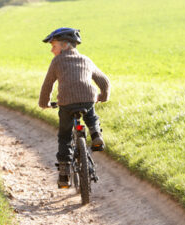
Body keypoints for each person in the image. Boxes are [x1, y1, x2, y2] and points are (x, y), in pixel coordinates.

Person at [38, 28, 110, 188]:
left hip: (66, 102)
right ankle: (95, 133)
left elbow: (47, 84)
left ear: (64, 46)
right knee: (91, 114)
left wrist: (44, 103)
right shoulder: (86, 60)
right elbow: (104, 81)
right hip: (87, 98)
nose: (51, 50)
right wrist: (102, 97)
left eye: (53, 46)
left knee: (64, 136)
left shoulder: (57, 62)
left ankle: (64, 173)